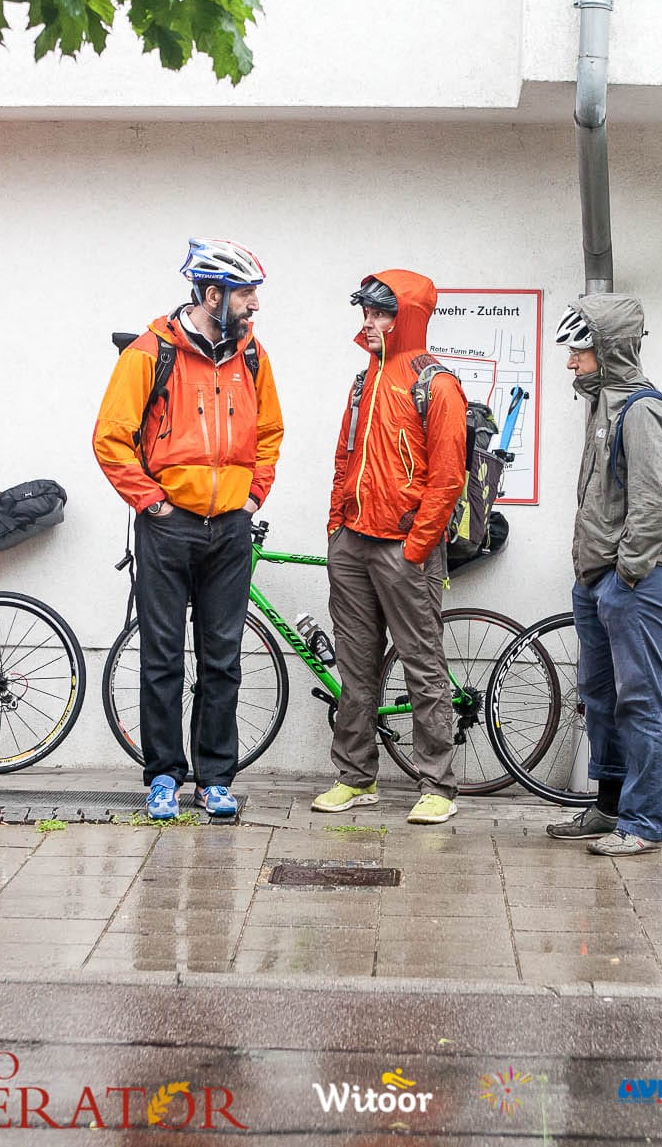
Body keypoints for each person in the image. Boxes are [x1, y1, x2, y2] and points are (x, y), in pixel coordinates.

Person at [94, 238, 283, 819]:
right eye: (246, 294)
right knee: (162, 658)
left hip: (229, 529)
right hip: (168, 529)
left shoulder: (253, 356)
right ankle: (162, 777)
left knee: (223, 659)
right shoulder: (151, 353)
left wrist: (252, 496)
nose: (255, 305)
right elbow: (110, 438)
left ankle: (215, 779)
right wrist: (152, 504)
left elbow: (270, 433)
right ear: (212, 294)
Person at [313, 271, 468, 825]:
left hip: (404, 548)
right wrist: (336, 528)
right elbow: (344, 459)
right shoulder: (363, 382)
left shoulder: (437, 385)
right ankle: (356, 778)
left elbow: (448, 478)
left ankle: (437, 785)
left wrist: (416, 547)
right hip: (353, 544)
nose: (369, 322)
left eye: (381, 313)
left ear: (408, 317)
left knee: (422, 667)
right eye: (366, 312)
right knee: (355, 669)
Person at [546, 294, 662, 856]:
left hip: (636, 583)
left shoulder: (644, 411)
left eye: (578, 351)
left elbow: (655, 502)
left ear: (607, 350)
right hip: (599, 579)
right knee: (601, 699)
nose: (570, 361)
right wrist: (592, 578)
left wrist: (626, 574)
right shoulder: (603, 404)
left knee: (641, 702)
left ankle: (644, 823)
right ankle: (608, 809)